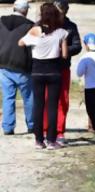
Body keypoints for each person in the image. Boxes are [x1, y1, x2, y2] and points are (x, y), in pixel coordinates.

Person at [19, 3, 68, 150]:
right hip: (54, 71)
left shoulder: (35, 30)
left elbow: (20, 43)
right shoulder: (61, 32)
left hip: (37, 71)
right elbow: (65, 55)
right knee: (52, 107)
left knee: (38, 106)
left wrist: (35, 41)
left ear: (42, 14)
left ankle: (39, 140)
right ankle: (51, 140)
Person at [43, 0, 82, 145]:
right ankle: (46, 130)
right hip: (46, 67)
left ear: (66, 11)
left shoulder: (71, 27)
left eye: (61, 10)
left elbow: (77, 46)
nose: (58, 13)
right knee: (46, 99)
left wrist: (63, 51)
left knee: (62, 101)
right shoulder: (46, 24)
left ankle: (59, 132)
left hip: (63, 68)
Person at [0, 0, 34, 135]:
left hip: (3, 64)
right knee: (29, 97)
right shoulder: (30, 25)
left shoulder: (1, 21)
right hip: (22, 65)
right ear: (25, 10)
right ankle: (32, 125)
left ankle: (8, 128)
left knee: (8, 97)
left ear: (13, 8)